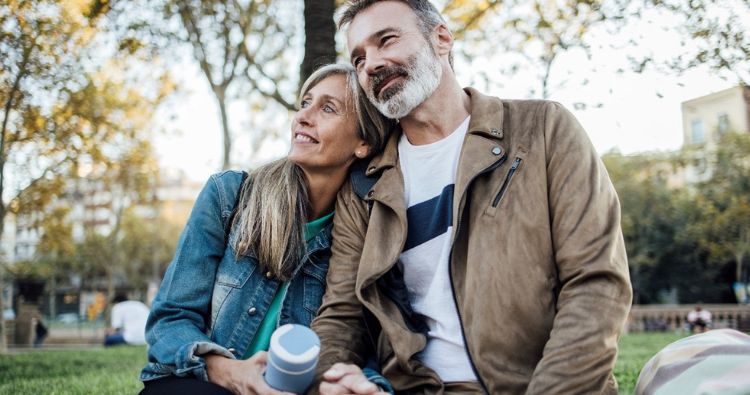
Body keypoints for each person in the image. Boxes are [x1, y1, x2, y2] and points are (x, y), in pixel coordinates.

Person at [311, 1, 633, 394]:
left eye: (387, 40)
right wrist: (327, 381)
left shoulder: (543, 129)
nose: (372, 64)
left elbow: (596, 284)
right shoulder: (364, 187)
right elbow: (343, 317)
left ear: (442, 38)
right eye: (358, 58)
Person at [139, 63, 392, 395]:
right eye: (305, 103)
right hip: (202, 382)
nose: (303, 116)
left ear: (364, 143)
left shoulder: (363, 236)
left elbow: (358, 347)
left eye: (327, 108)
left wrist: (365, 386)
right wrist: (230, 371)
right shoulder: (228, 196)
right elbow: (170, 319)